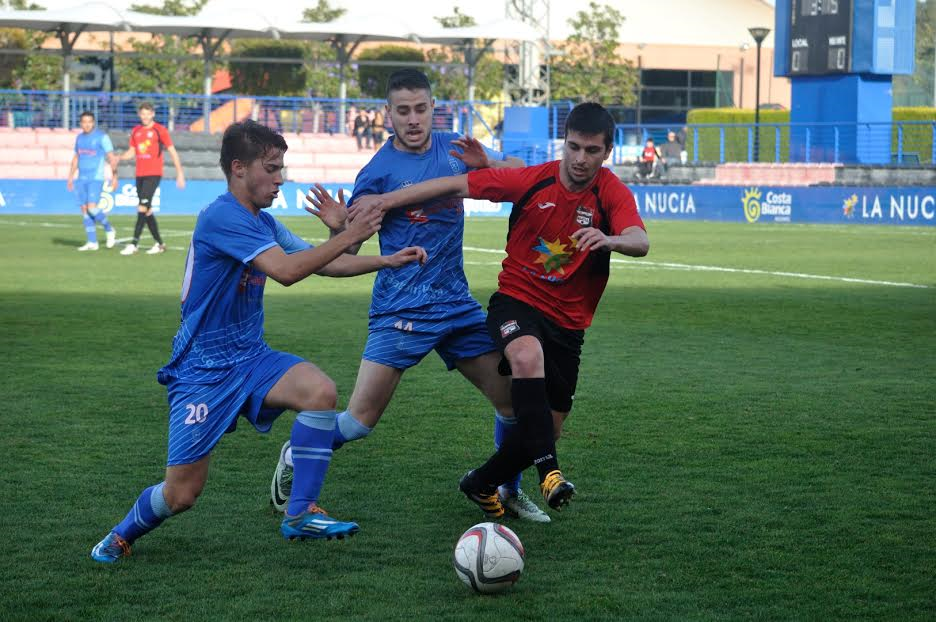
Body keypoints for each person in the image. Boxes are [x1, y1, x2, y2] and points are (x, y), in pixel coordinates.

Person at [90, 120, 427, 564]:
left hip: (250, 358)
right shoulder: (222, 216)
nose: (280, 178)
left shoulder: (260, 221)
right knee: (181, 494)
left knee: (319, 391)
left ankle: (300, 511)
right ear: (239, 169)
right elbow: (287, 273)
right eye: (271, 168)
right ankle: (118, 536)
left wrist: (383, 257)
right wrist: (349, 235)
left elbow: (321, 264)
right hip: (203, 372)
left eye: (281, 167)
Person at [270, 69, 553, 523]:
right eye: (403, 111)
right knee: (359, 422)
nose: (414, 119)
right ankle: (297, 450)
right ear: (388, 114)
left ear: (433, 108)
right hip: (400, 311)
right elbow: (352, 248)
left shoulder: (458, 149)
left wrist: (488, 161)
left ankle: (508, 489)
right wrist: (337, 226)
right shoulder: (377, 173)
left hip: (456, 307)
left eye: (421, 109)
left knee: (512, 403)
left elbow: (533, 179)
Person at [350, 102, 649, 518]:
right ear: (563, 143)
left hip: (568, 324)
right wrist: (385, 200)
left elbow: (640, 240)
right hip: (517, 301)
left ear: (607, 152)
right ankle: (550, 473)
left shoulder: (610, 192)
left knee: (548, 427)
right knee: (527, 356)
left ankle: (482, 482)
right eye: (574, 147)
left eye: (592, 151)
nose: (581, 159)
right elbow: (453, 186)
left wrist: (610, 239)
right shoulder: (533, 180)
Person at [118, 102, 186, 255]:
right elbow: (131, 152)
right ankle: (160, 244)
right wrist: (119, 158)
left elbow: (172, 151)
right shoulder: (136, 131)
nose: (145, 116)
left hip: (153, 174)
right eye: (142, 114)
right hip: (139, 174)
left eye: (148, 114)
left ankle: (133, 243)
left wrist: (179, 173)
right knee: (147, 210)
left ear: (153, 114)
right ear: (139, 115)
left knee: (141, 207)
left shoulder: (160, 130)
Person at [67, 111, 118, 251]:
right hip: (81, 178)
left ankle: (109, 229)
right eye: (84, 122)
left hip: (95, 177)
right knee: (84, 210)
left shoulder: (102, 137)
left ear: (93, 122)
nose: (87, 124)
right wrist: (71, 176)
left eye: (89, 121)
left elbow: (111, 158)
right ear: (80, 123)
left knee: (92, 208)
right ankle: (92, 242)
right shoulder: (79, 138)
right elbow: (76, 157)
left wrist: (115, 177)